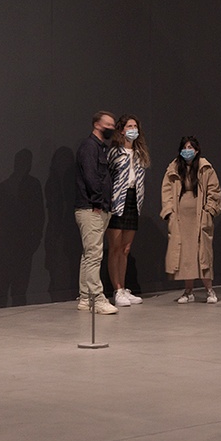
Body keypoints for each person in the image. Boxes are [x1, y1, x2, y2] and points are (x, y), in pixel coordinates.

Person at [162, 135, 221, 303]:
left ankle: (210, 290)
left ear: (196, 150)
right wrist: (169, 212)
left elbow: (214, 190)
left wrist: (208, 211)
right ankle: (188, 291)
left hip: (199, 217)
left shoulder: (205, 168)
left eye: (191, 147)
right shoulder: (173, 168)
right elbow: (166, 191)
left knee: (202, 253)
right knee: (185, 255)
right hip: (180, 218)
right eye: (185, 147)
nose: (187, 151)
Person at [73, 111, 119, 315]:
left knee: (89, 254)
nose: (111, 127)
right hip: (91, 208)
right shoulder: (89, 147)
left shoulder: (100, 147)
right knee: (94, 255)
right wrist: (98, 201)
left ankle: (85, 298)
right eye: (108, 124)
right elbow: (91, 177)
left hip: (97, 207)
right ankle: (96, 298)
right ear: (97, 124)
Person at [105, 116, 149, 305]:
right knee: (114, 247)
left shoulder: (140, 153)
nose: (133, 129)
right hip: (117, 201)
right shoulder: (114, 152)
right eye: (129, 126)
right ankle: (117, 289)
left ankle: (123, 287)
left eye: (135, 126)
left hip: (133, 201)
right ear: (122, 130)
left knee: (126, 248)